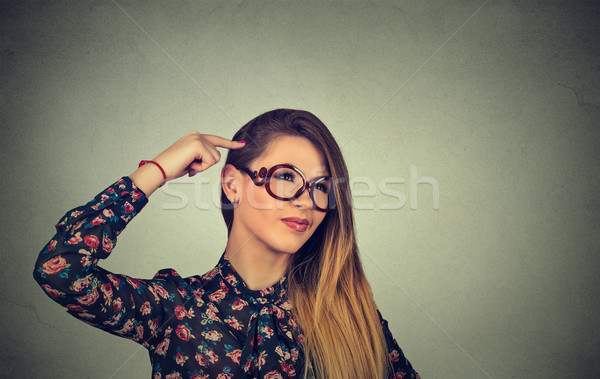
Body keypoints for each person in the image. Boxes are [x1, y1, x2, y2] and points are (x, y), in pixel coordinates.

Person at [33, 109, 420, 379]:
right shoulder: (177, 310)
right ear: (233, 183)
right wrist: (159, 168)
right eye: (286, 177)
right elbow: (61, 270)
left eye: (321, 186)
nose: (306, 199)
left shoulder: (348, 313)